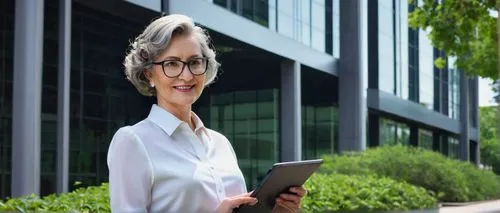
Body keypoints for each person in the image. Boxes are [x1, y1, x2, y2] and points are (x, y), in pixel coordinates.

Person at [107, 14, 307, 213]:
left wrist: (276, 210)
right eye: (172, 64)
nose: (186, 75)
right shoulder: (133, 141)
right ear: (148, 74)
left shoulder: (220, 143)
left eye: (195, 62)